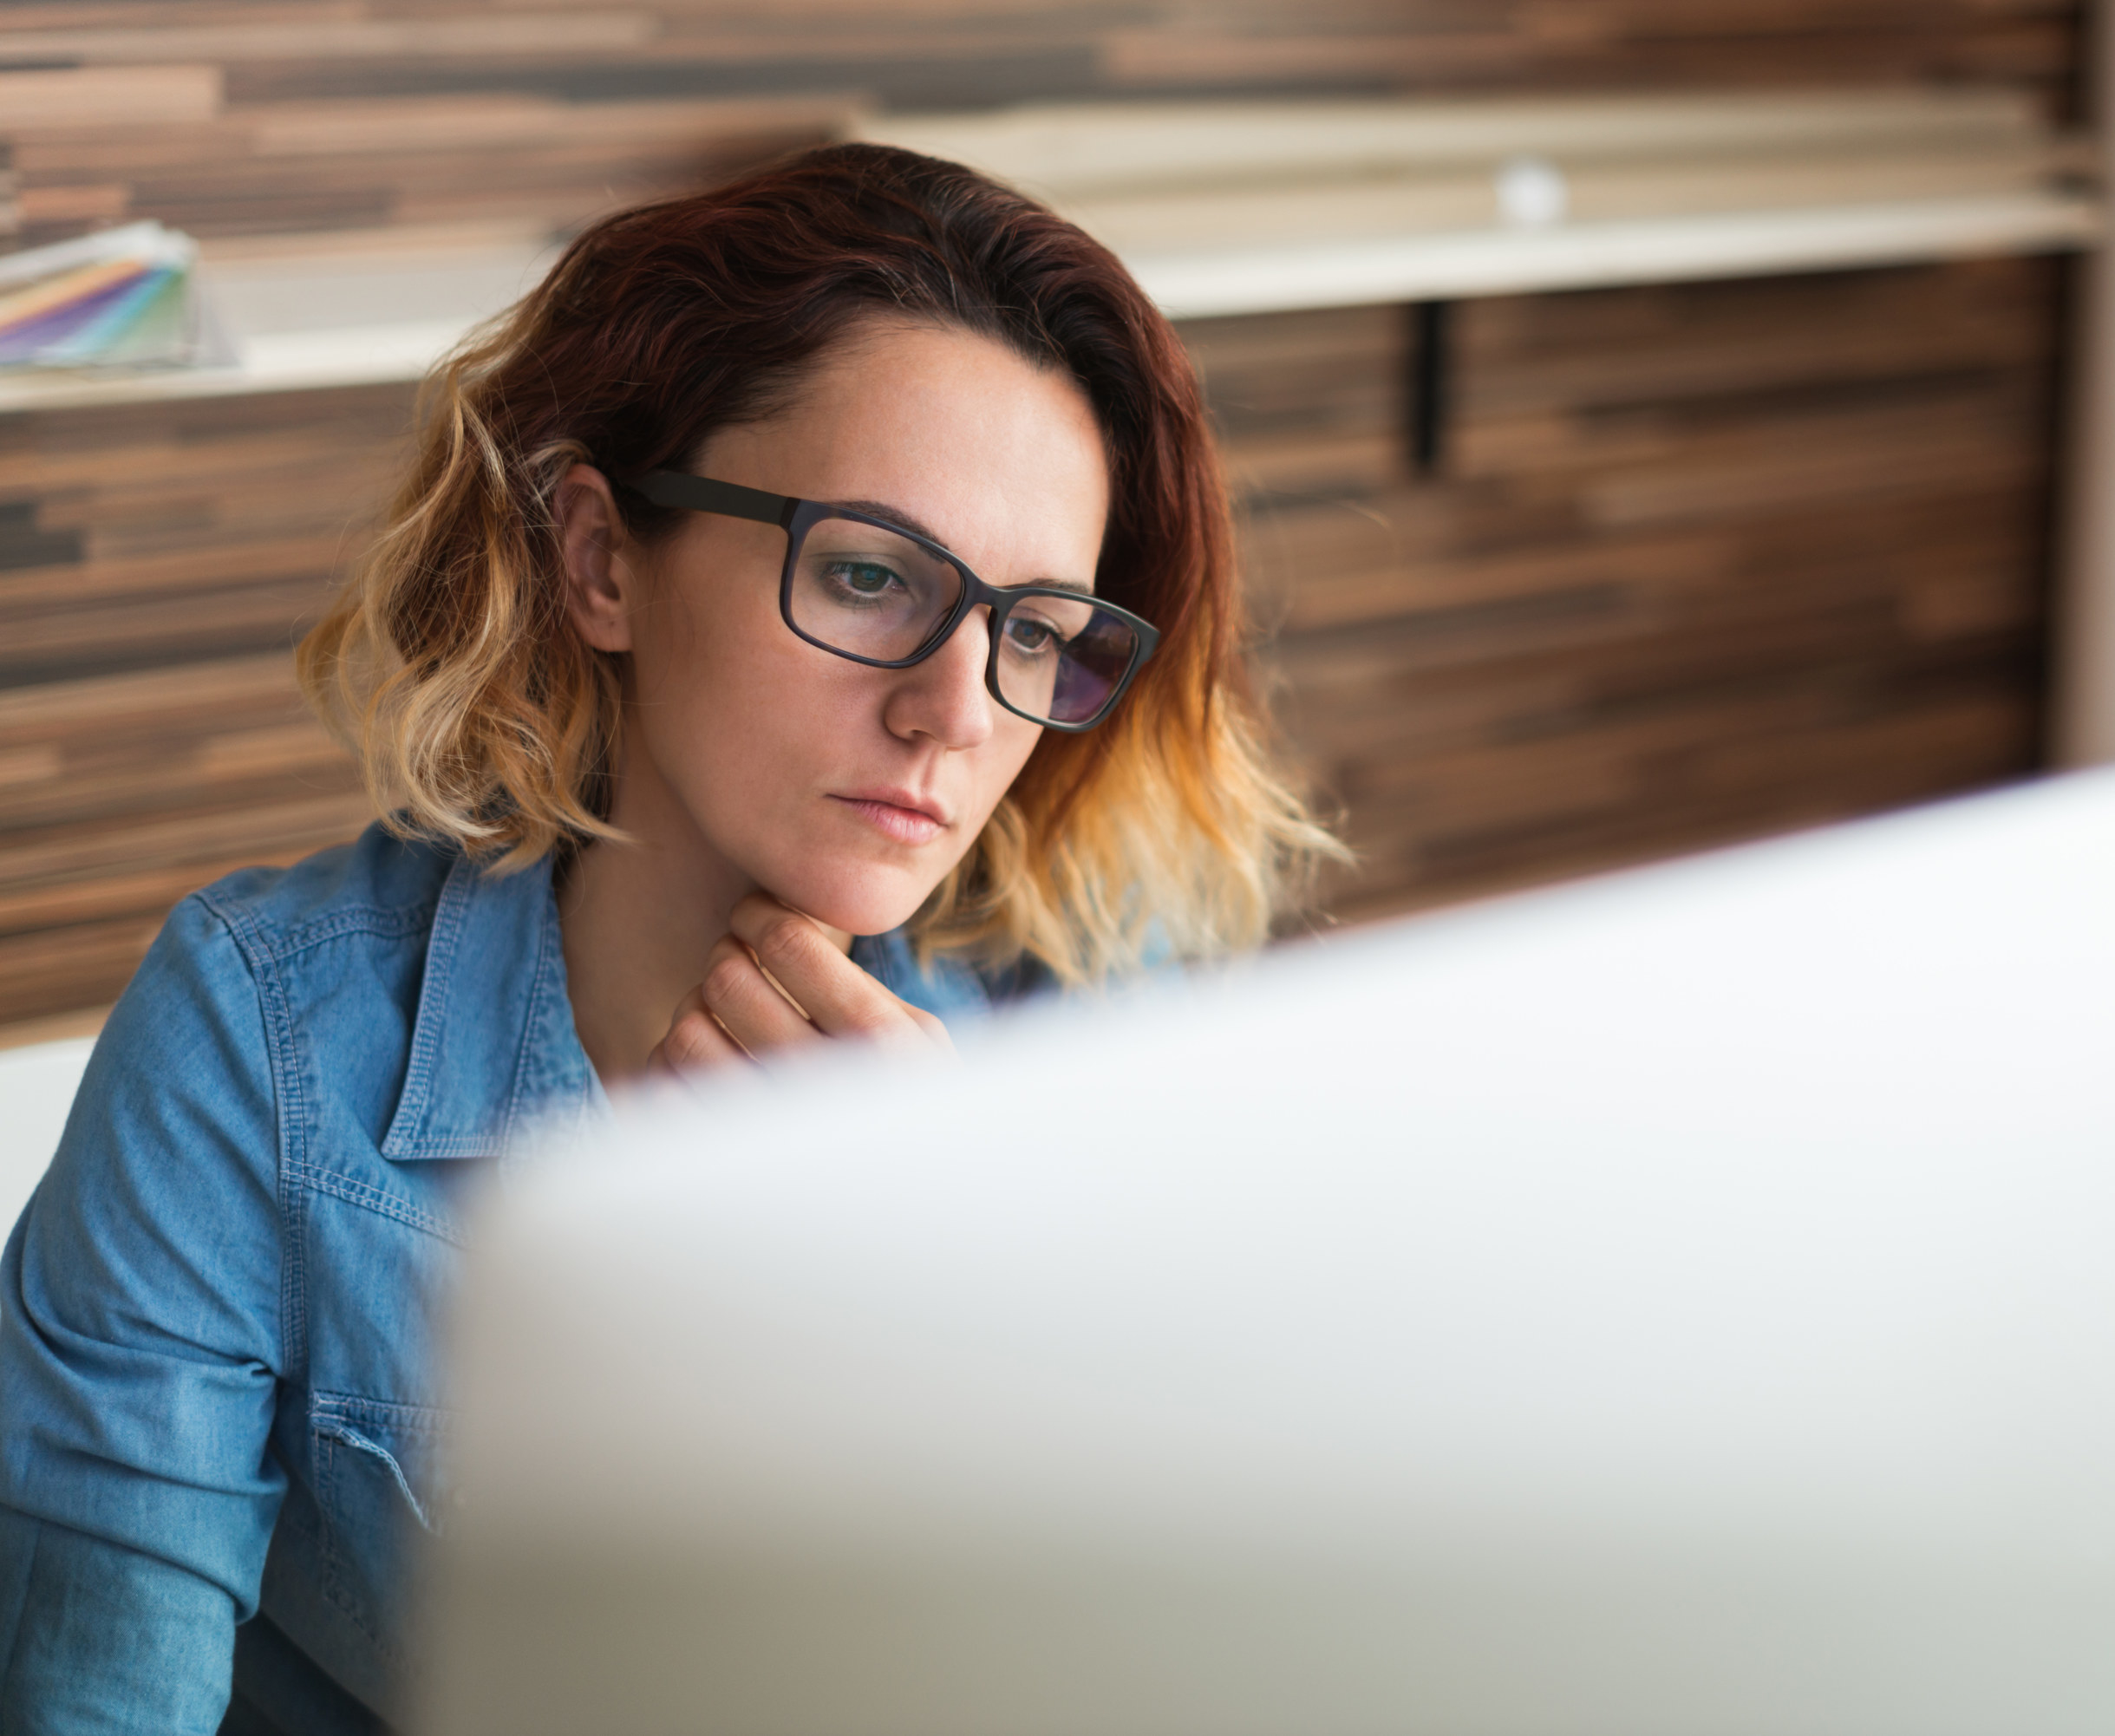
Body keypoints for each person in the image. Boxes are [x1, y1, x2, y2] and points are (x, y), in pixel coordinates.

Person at [0, 143, 1335, 1733]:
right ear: (603, 558)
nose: (956, 711)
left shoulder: (1104, 1018)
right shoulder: (261, 1046)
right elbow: (96, 1689)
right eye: (867, 573)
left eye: (1035, 628)